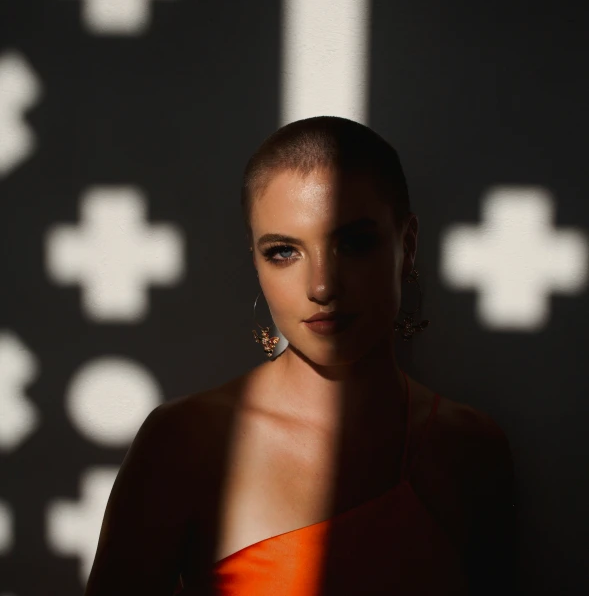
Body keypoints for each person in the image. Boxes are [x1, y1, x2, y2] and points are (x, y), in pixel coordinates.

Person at [83, 116, 517, 596]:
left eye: (353, 243)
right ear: (255, 260)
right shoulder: (185, 443)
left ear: (407, 245)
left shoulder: (470, 447)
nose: (322, 287)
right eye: (284, 252)